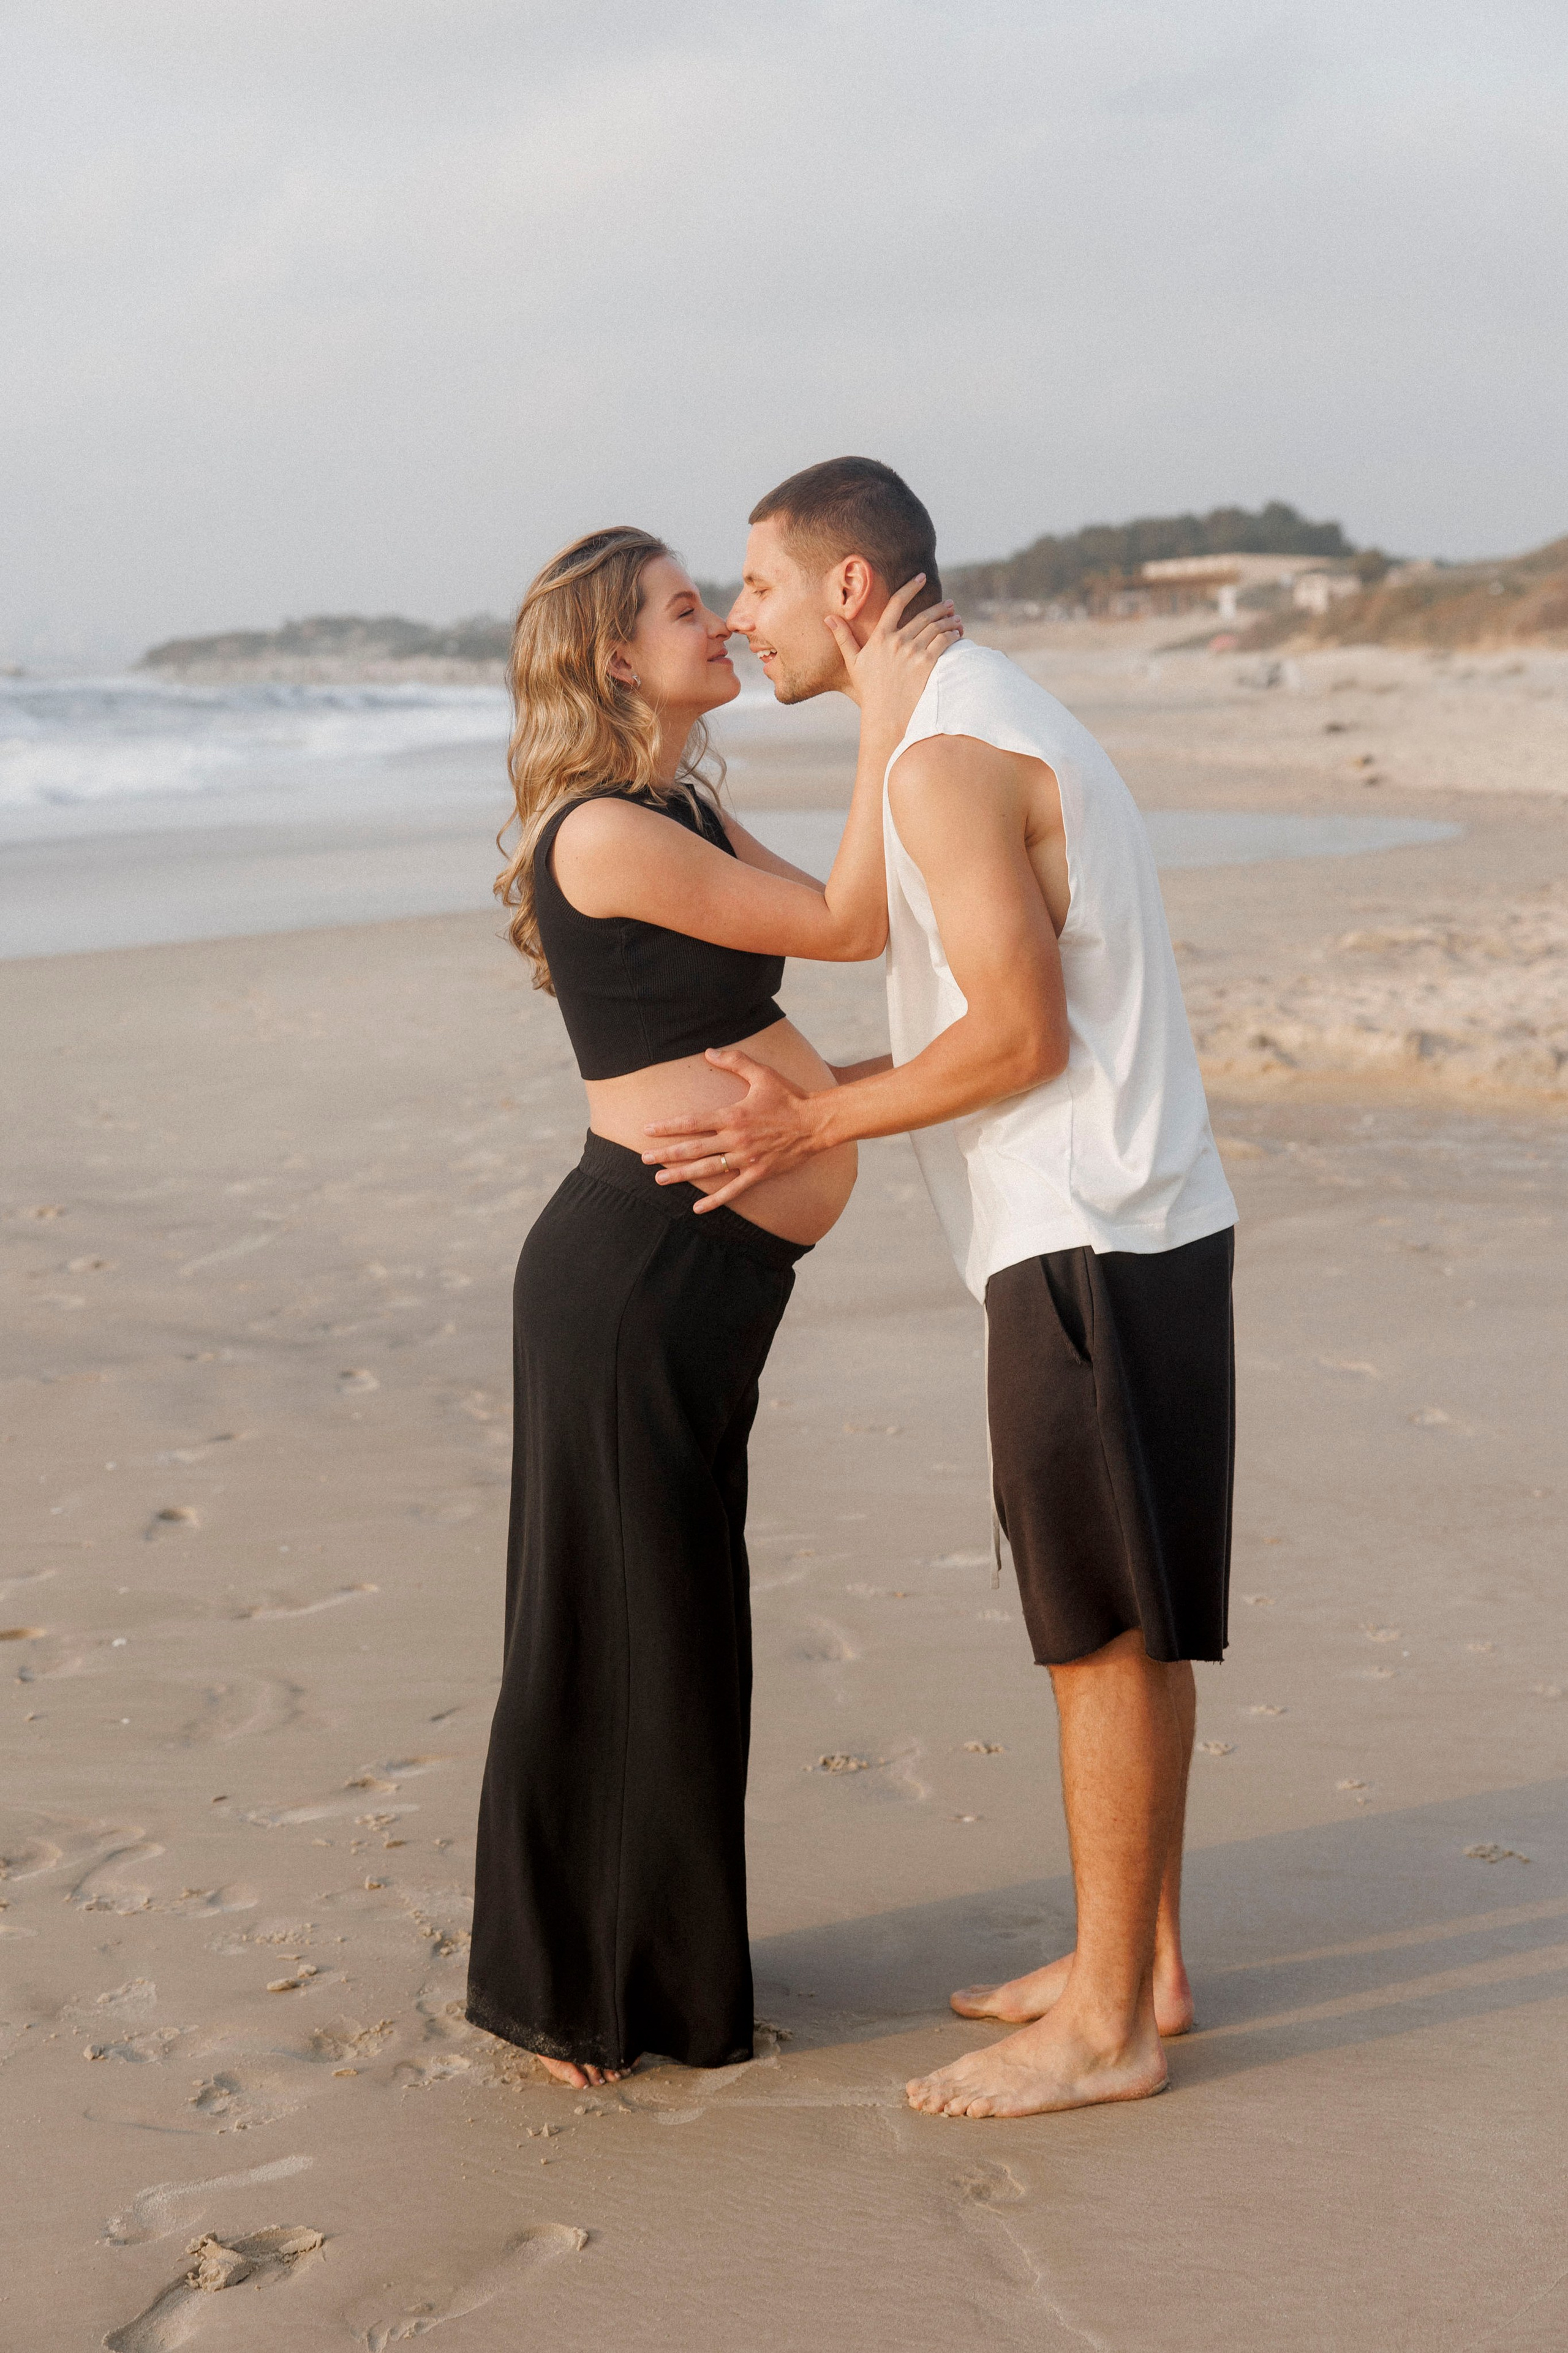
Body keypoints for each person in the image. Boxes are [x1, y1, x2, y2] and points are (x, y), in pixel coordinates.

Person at [644, 458, 1238, 2121]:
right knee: (1136, 1620)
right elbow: (999, 1013)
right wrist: (824, 1085)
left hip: (1088, 1241)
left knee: (1101, 1637)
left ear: (845, 590)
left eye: (755, 587)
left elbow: (1019, 1037)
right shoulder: (968, 716)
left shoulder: (949, 759)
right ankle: (1148, 1960)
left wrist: (817, 1113)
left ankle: (1109, 2022)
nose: (740, 616)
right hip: (1144, 1222)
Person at [464, 524, 960, 2090]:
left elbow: (853, 919)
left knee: (681, 1622)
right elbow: (841, 928)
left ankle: (665, 1965)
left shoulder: (685, 801)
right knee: (614, 1624)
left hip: (696, 1275)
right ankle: (570, 1998)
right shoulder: (602, 830)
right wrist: (888, 706)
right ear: (616, 657)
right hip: (633, 1275)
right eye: (689, 611)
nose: (723, 629)